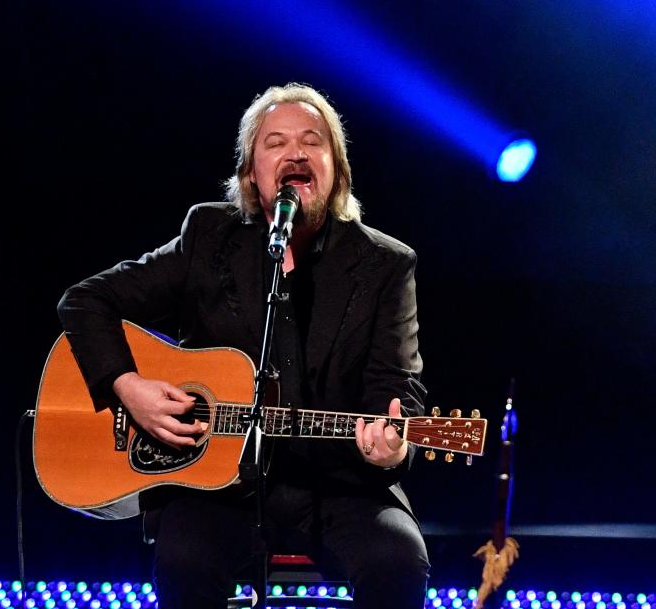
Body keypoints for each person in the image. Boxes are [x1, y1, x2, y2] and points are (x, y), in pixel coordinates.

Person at [57, 83, 430, 608]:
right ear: (251, 174)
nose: (295, 152)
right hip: (217, 486)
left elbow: (397, 390)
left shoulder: (387, 265)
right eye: (275, 143)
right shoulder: (210, 235)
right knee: (184, 560)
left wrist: (392, 446)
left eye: (312, 141)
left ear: (337, 170)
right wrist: (128, 385)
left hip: (338, 484)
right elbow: (84, 301)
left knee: (398, 561)